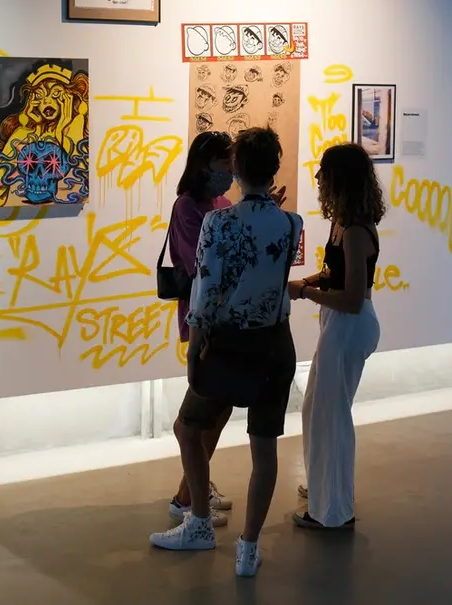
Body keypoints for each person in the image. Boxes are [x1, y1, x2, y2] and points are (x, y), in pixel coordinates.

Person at [150, 127, 303, 579]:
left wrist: (196, 348)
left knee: (189, 427)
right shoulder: (292, 223)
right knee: (264, 448)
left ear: (236, 169)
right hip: (276, 344)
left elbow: (205, 292)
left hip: (228, 344)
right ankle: (248, 548)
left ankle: (198, 522)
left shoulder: (218, 223)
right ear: (274, 168)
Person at [288, 143, 384, 530]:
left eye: (323, 172)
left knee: (332, 417)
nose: (317, 178)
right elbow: (333, 274)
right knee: (317, 408)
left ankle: (333, 511)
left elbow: (352, 299)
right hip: (337, 324)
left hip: (349, 326)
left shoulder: (357, 232)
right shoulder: (342, 223)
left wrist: (305, 292)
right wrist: (306, 283)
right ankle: (324, 487)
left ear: (339, 179)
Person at [166, 131, 236, 527]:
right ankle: (186, 497)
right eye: (224, 163)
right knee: (198, 414)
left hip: (227, 318)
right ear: (204, 165)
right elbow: (200, 264)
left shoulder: (223, 204)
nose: (229, 171)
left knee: (217, 409)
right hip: (204, 317)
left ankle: (192, 488)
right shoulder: (187, 206)